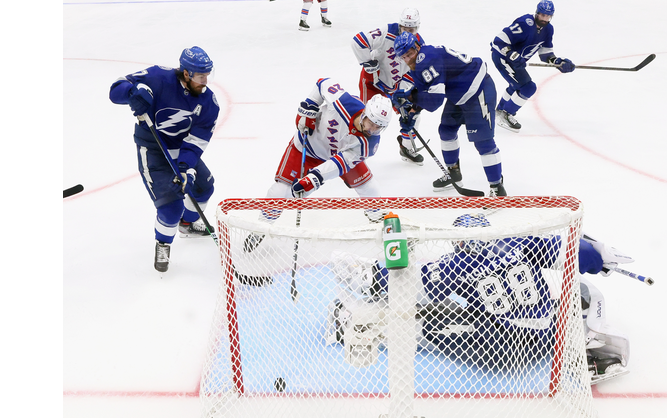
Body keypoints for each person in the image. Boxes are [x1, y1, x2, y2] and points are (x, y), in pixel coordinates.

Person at [327, 213, 634, 384]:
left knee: (436, 317)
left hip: (500, 350)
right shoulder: (519, 240)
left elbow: (413, 284)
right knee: (576, 290)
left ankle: (372, 329)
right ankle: (583, 340)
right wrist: (600, 256)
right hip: (545, 336)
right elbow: (571, 251)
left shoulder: (454, 264)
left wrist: (372, 276)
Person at [243, 78, 394, 252]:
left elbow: (339, 164)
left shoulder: (368, 144)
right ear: (365, 114)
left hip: (336, 157)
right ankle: (261, 227)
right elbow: (323, 83)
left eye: (378, 127)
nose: (372, 130)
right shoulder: (344, 102)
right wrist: (309, 107)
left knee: (370, 188)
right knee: (278, 192)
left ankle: (379, 223)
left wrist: (313, 179)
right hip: (307, 147)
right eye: (371, 123)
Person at [109, 46, 220, 273]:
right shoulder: (158, 77)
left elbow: (197, 140)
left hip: (181, 149)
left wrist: (185, 168)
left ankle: (187, 225)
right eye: (200, 77)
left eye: (207, 76)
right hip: (153, 149)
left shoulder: (209, 102)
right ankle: (163, 242)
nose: (205, 82)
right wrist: (133, 91)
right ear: (186, 73)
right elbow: (115, 89)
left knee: (203, 187)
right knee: (170, 207)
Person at [392, 32, 506, 196]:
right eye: (403, 57)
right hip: (458, 93)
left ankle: (497, 188)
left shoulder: (426, 59)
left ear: (416, 47)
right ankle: (454, 174)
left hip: (477, 89)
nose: (407, 59)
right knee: (446, 130)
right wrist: (412, 112)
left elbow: (436, 101)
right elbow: (427, 92)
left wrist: (410, 96)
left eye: (409, 54)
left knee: (483, 142)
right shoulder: (418, 64)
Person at [350, 8, 427, 165]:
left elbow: (413, 72)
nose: (407, 32)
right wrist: (367, 63)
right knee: (366, 117)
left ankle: (406, 147)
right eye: (404, 28)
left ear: (417, 28)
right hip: (373, 83)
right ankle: (354, 153)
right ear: (399, 25)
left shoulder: (419, 45)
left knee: (413, 113)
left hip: (394, 88)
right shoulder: (385, 32)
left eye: (411, 29)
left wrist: (402, 91)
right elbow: (357, 41)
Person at [490, 0, 575, 132]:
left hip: (516, 62)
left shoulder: (548, 29)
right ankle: (506, 114)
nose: (545, 18)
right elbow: (498, 41)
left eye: (548, 16)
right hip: (502, 58)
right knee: (528, 87)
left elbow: (545, 54)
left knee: (516, 84)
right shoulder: (525, 23)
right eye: (542, 15)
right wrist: (511, 55)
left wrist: (558, 62)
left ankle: (500, 110)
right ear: (537, 12)